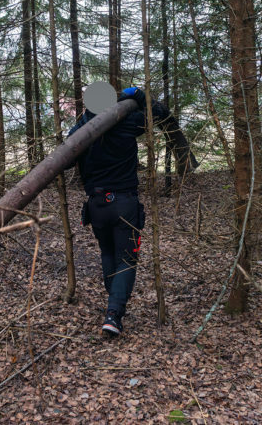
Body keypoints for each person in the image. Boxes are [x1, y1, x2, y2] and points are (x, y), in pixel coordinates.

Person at [68, 82, 151, 337]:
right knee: (126, 260)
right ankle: (113, 314)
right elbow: (148, 117)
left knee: (108, 252)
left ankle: (113, 301)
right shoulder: (127, 123)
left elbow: (67, 149)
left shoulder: (81, 130)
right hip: (124, 203)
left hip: (97, 206)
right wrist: (138, 95)